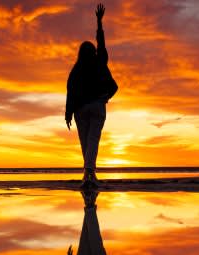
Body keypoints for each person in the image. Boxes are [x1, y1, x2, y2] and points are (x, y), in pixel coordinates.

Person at [65, 3, 118, 189]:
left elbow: (70, 91)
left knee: (86, 142)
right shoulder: (98, 62)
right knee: (92, 141)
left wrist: (68, 113)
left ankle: (88, 174)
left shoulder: (77, 69)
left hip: (81, 109)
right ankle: (89, 174)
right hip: (96, 106)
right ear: (93, 52)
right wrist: (99, 23)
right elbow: (101, 44)